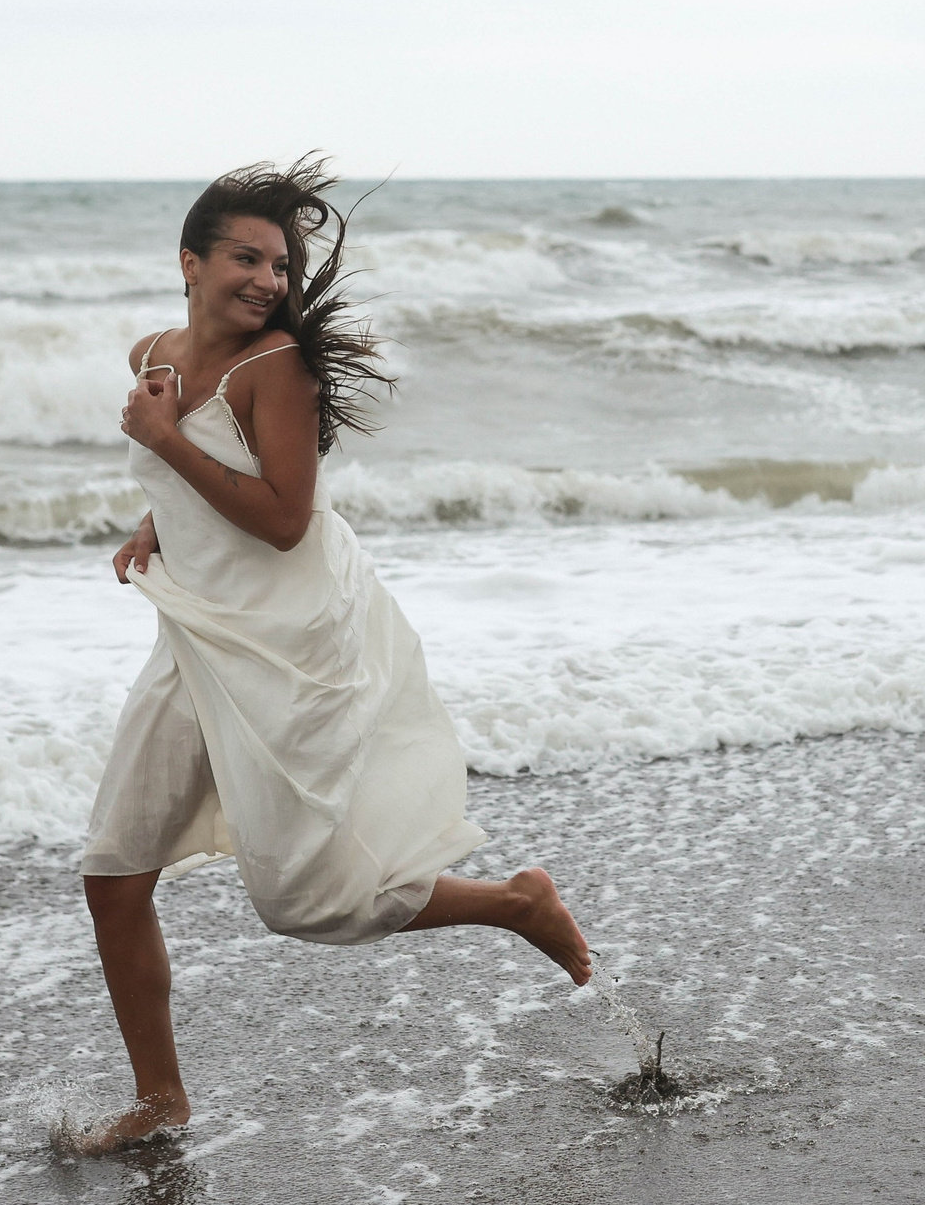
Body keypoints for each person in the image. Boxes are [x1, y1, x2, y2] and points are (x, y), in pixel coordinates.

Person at [74, 159, 591, 1154]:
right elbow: (202, 470)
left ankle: (515, 902)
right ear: (190, 260)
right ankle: (161, 1100)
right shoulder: (153, 352)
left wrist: (163, 447)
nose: (267, 278)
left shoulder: (279, 368)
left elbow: (280, 517)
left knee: (299, 899)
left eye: (281, 263)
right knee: (113, 872)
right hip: (196, 634)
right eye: (245, 256)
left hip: (288, 638)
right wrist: (157, 521)